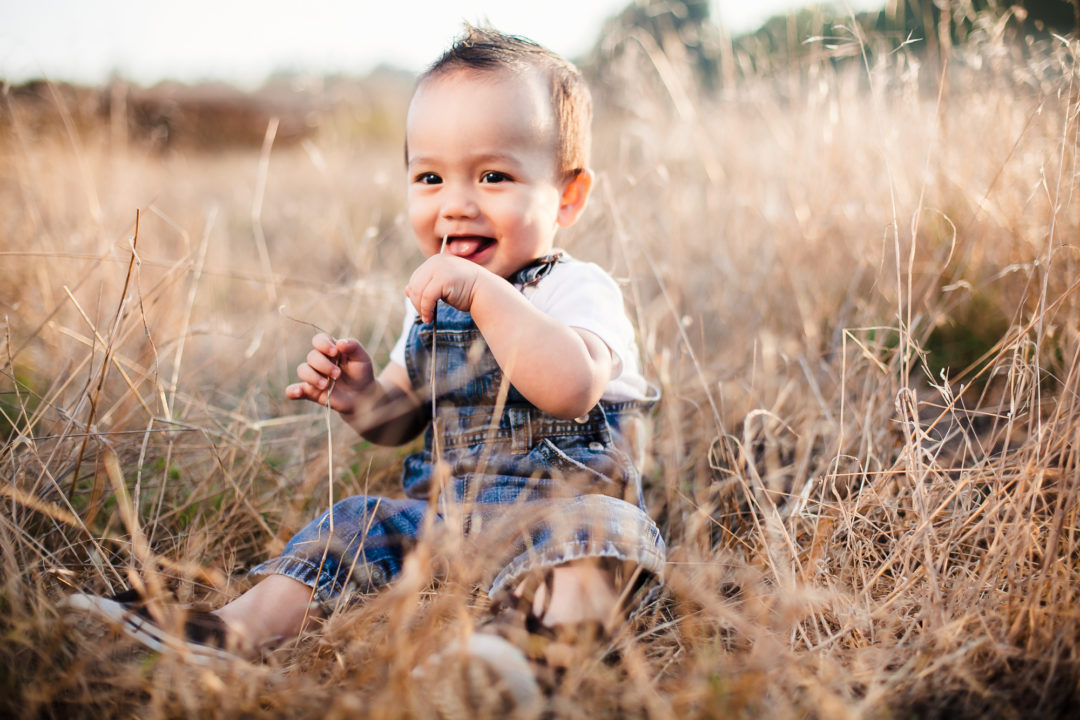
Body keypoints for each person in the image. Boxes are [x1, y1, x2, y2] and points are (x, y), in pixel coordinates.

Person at [68, 25, 665, 690]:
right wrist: (362, 399)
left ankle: (514, 655)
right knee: (351, 521)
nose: (456, 202)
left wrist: (486, 295)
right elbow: (401, 418)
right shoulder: (432, 303)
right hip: (447, 525)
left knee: (607, 535)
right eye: (430, 177)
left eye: (494, 176)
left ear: (569, 196)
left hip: (558, 519)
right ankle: (234, 627)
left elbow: (572, 388)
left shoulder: (578, 290)